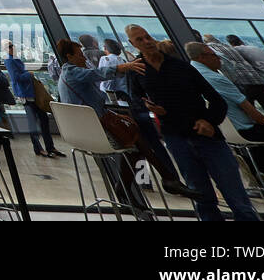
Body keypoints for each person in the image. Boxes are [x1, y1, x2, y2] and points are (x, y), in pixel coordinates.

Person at [125, 25, 258, 221]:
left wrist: (209, 122)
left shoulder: (180, 67)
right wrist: (150, 107)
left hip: (206, 136)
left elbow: (216, 99)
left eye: (147, 37)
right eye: (140, 40)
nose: (146, 42)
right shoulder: (137, 71)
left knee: (236, 197)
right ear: (132, 44)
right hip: (176, 137)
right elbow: (135, 100)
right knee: (202, 198)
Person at [54, 37, 196, 200]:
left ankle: (136, 186)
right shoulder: (73, 73)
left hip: (83, 131)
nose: (84, 57)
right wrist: (125, 66)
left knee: (135, 146)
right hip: (95, 132)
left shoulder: (65, 75)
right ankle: (165, 179)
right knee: (138, 139)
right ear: (69, 57)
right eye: (79, 55)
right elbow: (98, 73)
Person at [185, 42, 264, 196]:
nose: (219, 59)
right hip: (245, 129)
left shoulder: (190, 74)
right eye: (214, 55)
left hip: (225, 131)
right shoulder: (216, 78)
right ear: (202, 57)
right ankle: (255, 163)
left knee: (261, 154)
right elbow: (249, 109)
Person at [203, 34, 264, 129]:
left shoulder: (211, 50)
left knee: (250, 114)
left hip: (242, 83)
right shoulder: (228, 46)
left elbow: (225, 64)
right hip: (256, 80)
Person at [3, 41, 62, 158]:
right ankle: (39, 148)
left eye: (12, 45)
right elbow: (16, 78)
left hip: (31, 94)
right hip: (26, 95)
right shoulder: (9, 60)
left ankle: (49, 147)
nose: (12, 47)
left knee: (43, 119)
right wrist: (29, 74)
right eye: (9, 46)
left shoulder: (14, 58)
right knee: (34, 122)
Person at [97, 38, 129, 103]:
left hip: (109, 93)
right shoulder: (122, 60)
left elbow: (102, 75)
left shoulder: (105, 59)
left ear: (105, 48)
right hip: (123, 93)